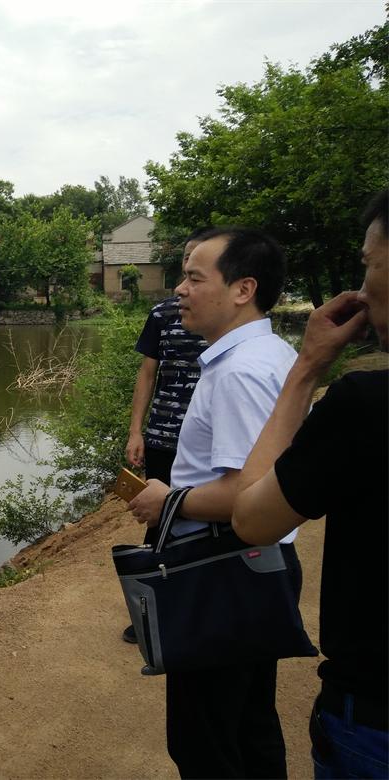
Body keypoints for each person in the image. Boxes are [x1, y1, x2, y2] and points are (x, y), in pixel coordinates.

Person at [128, 226, 300, 778]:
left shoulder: (240, 373)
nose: (180, 290)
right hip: (255, 566)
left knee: (205, 743)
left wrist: (168, 500)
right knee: (249, 726)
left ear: (243, 289)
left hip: (224, 570)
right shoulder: (269, 353)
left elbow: (250, 495)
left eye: (194, 278)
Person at [233, 190, 388, 778]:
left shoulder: (366, 407)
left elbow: (253, 518)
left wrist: (306, 370)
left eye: (369, 264)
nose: (364, 288)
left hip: (374, 719)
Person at [121, 230, 207, 643]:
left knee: (201, 523)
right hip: (163, 436)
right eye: (187, 259)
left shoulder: (226, 320)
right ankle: (151, 610)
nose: (189, 266)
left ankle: (195, 606)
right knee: (158, 522)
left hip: (205, 440)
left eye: (198, 260)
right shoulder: (162, 314)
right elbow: (147, 374)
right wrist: (136, 431)